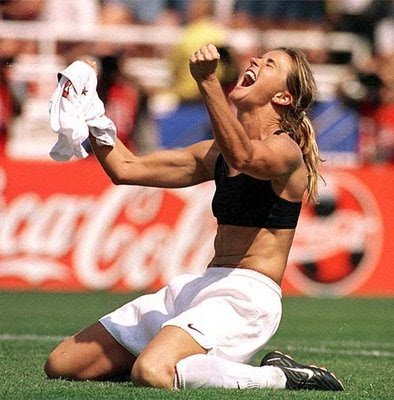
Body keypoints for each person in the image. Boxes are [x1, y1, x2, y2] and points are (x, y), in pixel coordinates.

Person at [44, 44, 344, 391]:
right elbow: (125, 168)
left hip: (245, 299)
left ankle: (279, 376)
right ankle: (186, 365)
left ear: (283, 97)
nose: (255, 62)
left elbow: (244, 157)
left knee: (152, 372)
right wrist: (92, 112)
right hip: (201, 285)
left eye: (270, 64)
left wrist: (208, 83)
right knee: (64, 364)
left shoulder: (285, 150)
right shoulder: (215, 152)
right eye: (258, 58)